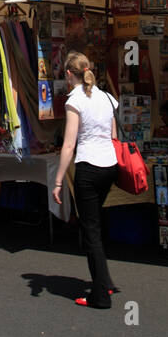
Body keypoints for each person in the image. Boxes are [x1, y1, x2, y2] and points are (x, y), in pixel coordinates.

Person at [53, 51, 118, 309]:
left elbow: (69, 145)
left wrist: (58, 180)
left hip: (88, 166)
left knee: (90, 231)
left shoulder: (74, 100)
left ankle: (100, 295)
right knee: (96, 225)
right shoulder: (107, 98)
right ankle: (106, 281)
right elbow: (112, 135)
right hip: (109, 165)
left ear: (69, 74)